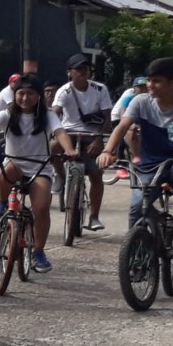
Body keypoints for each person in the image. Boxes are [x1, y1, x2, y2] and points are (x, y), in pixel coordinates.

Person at [101, 56, 173, 231]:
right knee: (137, 209)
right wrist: (107, 151)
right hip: (149, 167)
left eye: (157, 81)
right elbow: (122, 126)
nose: (150, 85)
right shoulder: (141, 101)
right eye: (149, 80)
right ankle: (136, 252)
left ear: (172, 83)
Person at [0, 74, 68, 272]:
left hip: (40, 169)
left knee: (42, 208)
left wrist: (69, 150)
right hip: (15, 165)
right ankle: (2, 203)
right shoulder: (7, 114)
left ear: (39, 96)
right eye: (21, 93)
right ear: (15, 94)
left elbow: (60, 133)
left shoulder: (48, 115)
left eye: (30, 94)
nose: (25, 98)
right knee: (7, 168)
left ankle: (38, 252)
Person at [51, 53, 115, 233]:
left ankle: (94, 216)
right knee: (50, 149)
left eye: (85, 69)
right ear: (69, 72)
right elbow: (55, 112)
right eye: (78, 69)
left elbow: (107, 119)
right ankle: (60, 176)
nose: (83, 72)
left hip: (92, 135)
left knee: (96, 174)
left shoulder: (100, 89)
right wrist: (51, 129)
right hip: (68, 133)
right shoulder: (64, 91)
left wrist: (98, 139)